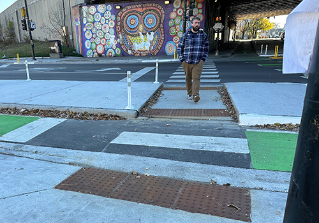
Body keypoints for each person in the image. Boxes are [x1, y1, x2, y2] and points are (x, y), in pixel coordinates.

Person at [177, 17, 209, 103]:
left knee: (196, 78)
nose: (197, 24)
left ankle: (196, 95)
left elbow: (206, 48)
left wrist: (203, 59)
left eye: (198, 23)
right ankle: (189, 93)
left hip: (198, 61)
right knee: (188, 78)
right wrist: (182, 59)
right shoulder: (186, 35)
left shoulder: (203, 35)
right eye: (195, 23)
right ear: (191, 24)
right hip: (186, 61)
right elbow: (180, 47)